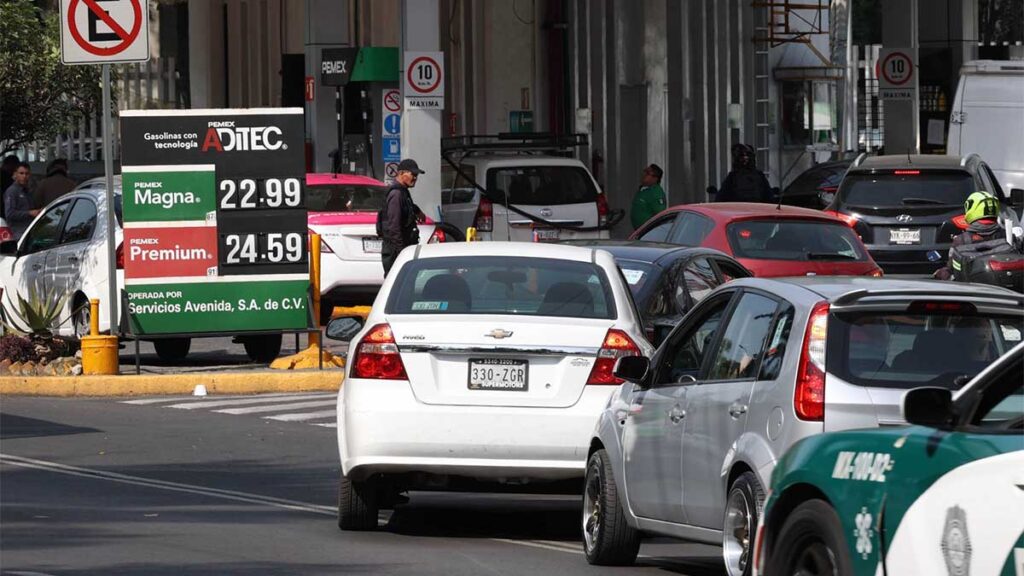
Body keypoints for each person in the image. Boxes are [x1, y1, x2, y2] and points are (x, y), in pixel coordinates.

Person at [934, 191, 1009, 280]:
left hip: (973, 289)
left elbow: (950, 271)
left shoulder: (961, 241)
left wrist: (939, 273)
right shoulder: (1009, 237)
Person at [377, 158, 426, 275]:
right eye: (412, 174)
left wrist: (417, 210)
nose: (415, 178)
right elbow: (394, 227)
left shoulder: (403, 192)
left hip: (401, 248)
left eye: (416, 175)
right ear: (401, 173)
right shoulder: (396, 194)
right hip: (396, 251)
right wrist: (402, 253)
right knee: (398, 288)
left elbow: (406, 208)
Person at [630, 164, 667, 229]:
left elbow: (660, 216)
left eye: (647, 173)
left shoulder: (656, 193)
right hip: (639, 232)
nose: (643, 174)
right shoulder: (643, 190)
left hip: (649, 233)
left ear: (655, 178)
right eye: (644, 171)